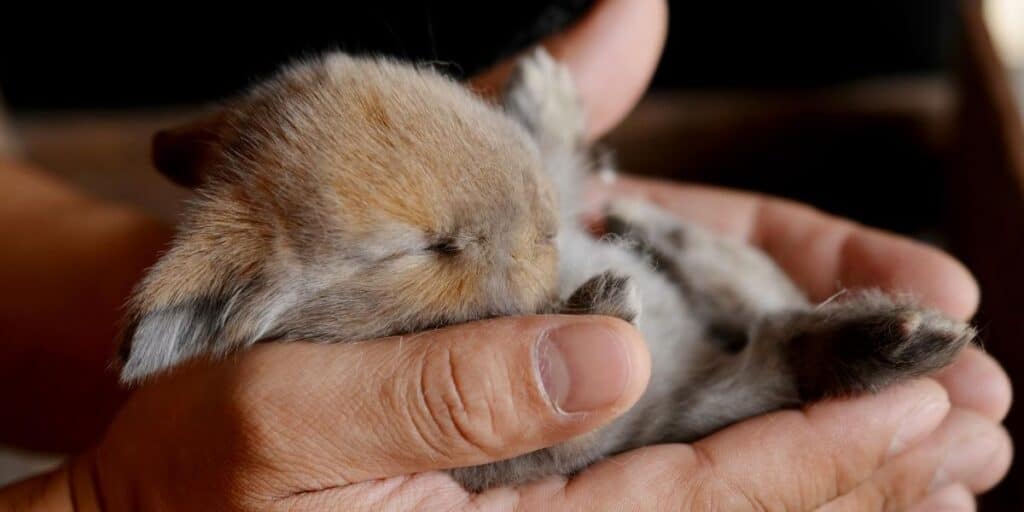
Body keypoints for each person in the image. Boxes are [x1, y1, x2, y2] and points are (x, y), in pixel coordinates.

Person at [0, 1, 1011, 509]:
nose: (520, 231)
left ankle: (794, 335)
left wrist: (547, 152)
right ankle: (794, 361)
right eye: (435, 246)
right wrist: (106, 501)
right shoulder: (315, 337)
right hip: (621, 428)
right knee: (666, 404)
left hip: (841, 92)